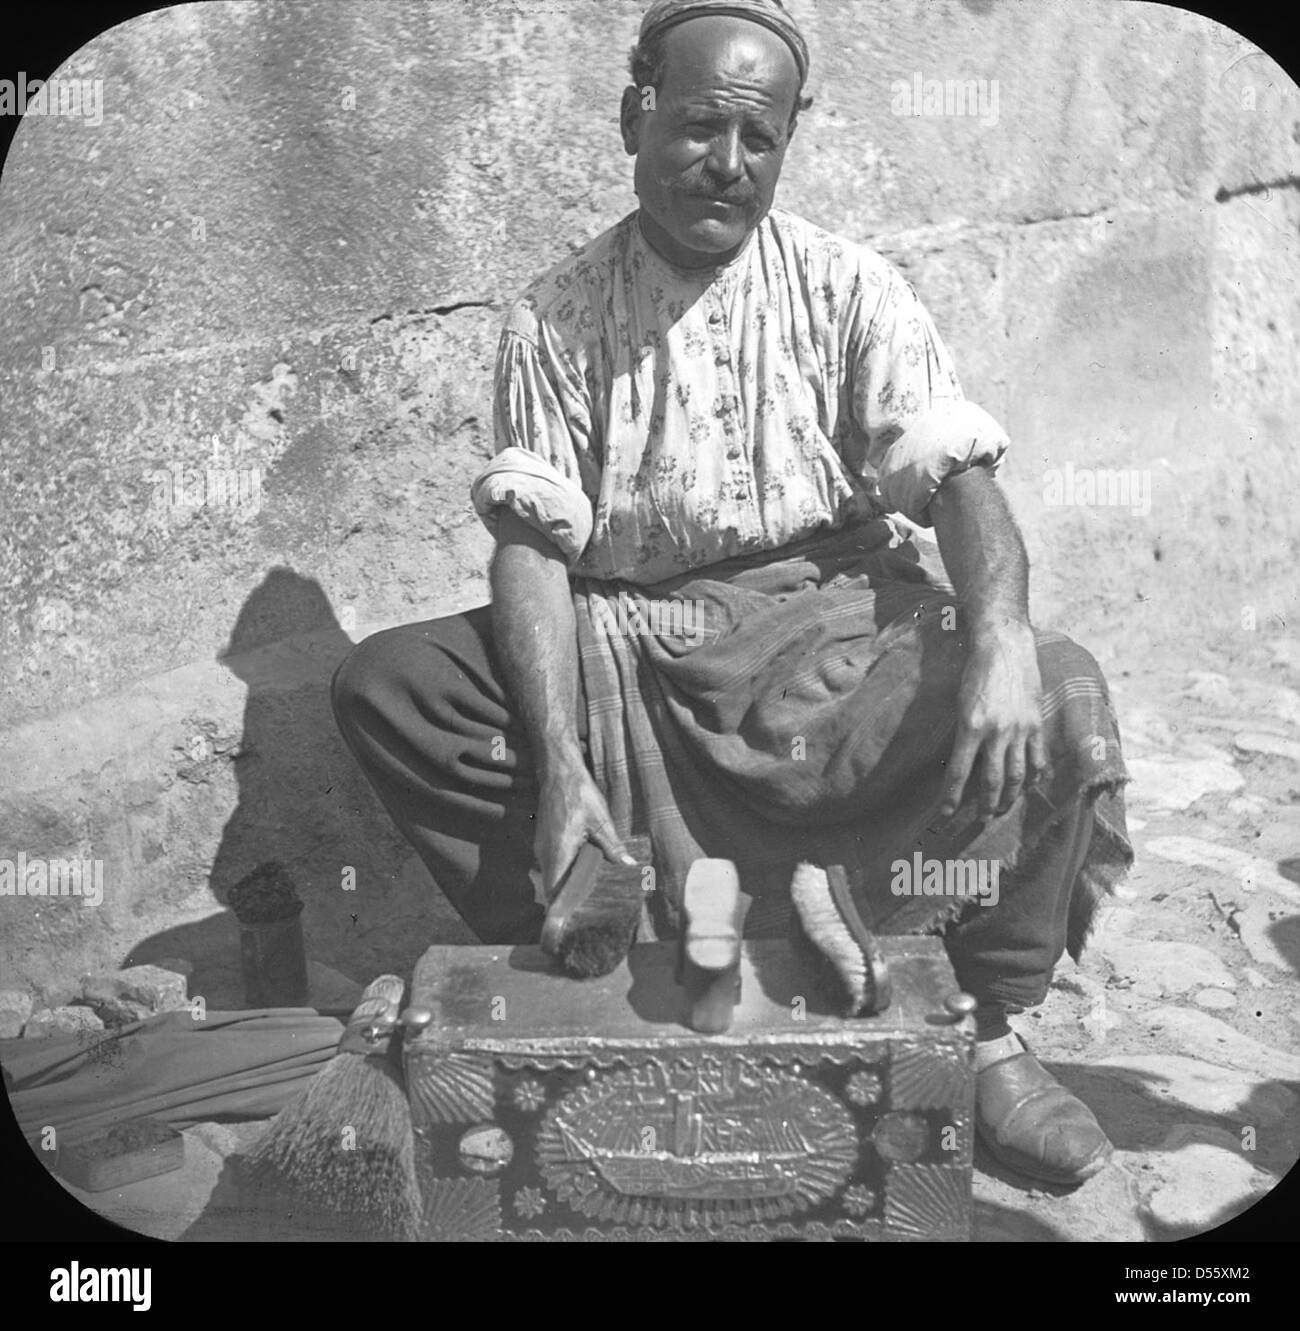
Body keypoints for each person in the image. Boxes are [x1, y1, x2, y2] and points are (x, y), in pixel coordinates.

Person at [332, 0, 1133, 1187]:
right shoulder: (554, 317)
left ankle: (979, 1026)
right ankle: (602, 961)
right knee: (393, 685)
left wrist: (1004, 634)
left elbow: (957, 474)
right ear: (632, 117)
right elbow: (531, 542)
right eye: (699, 125)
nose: (727, 163)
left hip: (833, 619)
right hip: (630, 636)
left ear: (788, 142)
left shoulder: (849, 287)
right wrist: (558, 766)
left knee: (1056, 690)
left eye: (758, 138)